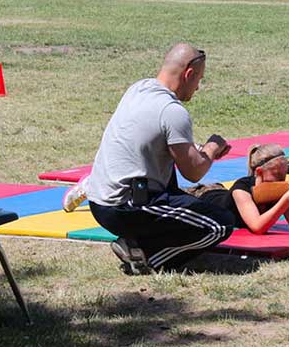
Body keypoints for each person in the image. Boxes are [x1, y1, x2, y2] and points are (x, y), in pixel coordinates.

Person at [79, 44, 236, 275]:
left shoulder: (138, 89)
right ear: (188, 74)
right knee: (220, 224)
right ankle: (146, 255)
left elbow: (152, 140)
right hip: (126, 207)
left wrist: (198, 150)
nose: (198, 87)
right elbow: (193, 172)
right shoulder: (172, 111)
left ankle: (139, 241)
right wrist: (212, 149)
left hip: (99, 200)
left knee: (195, 206)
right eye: (199, 79)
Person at [186, 143, 289, 234]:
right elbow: (257, 227)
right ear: (259, 172)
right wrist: (287, 199)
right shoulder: (242, 189)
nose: (282, 180)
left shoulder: (278, 189)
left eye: (284, 174)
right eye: (277, 174)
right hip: (202, 196)